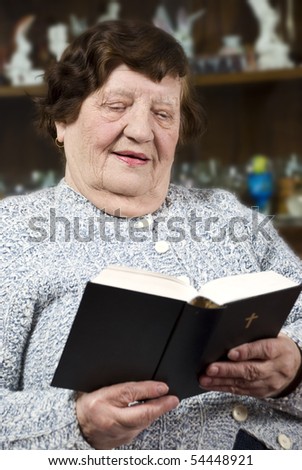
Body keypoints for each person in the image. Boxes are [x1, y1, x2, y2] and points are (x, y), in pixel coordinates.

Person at [1, 19, 302, 451]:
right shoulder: (11, 235)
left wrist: (294, 372)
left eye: (163, 114)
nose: (142, 131)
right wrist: (75, 423)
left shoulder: (229, 216)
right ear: (62, 122)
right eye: (116, 105)